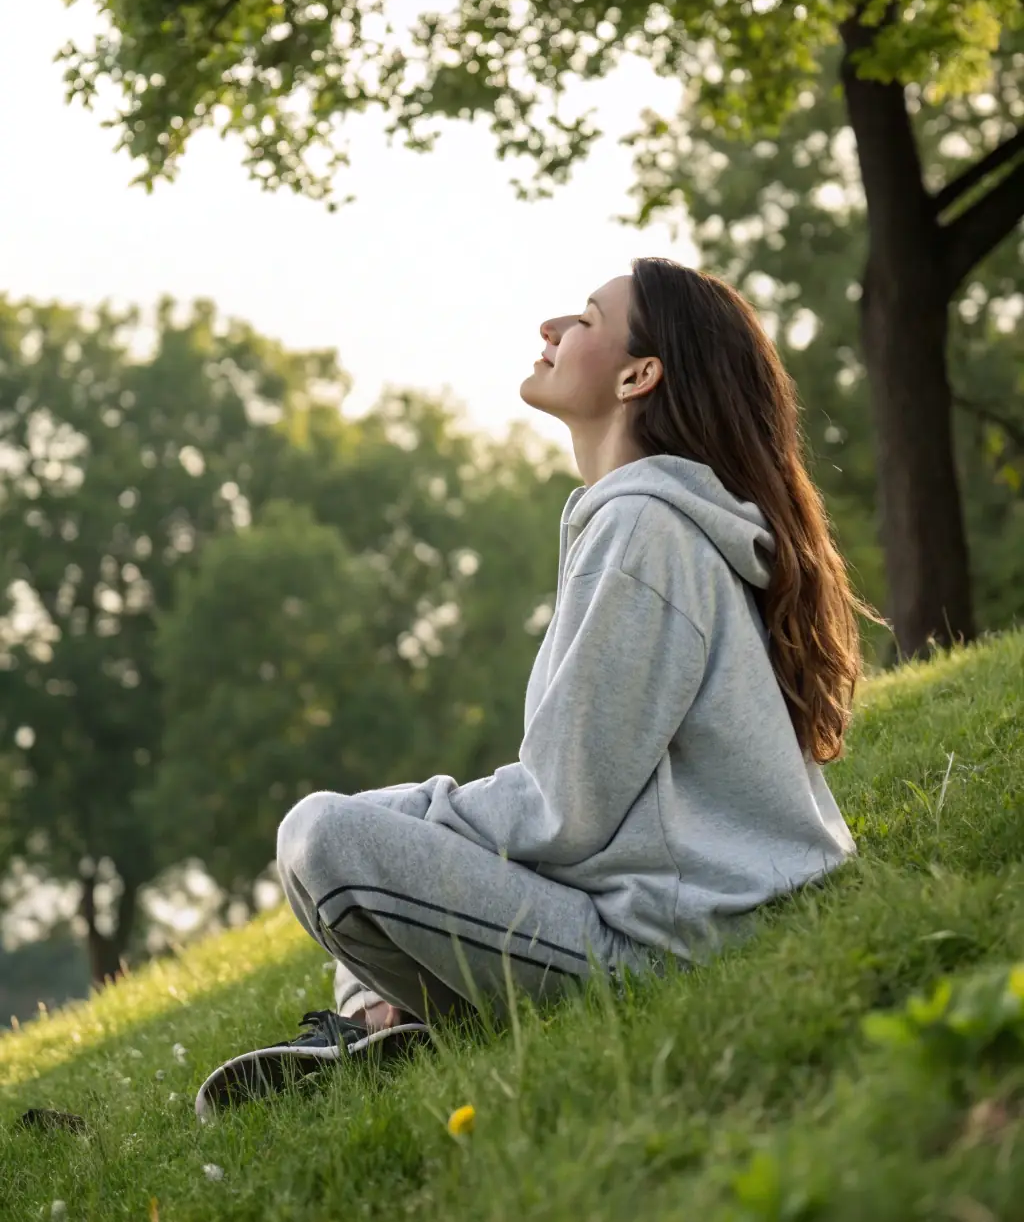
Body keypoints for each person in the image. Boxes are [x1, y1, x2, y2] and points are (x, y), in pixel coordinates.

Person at [195, 258, 878, 1119]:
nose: (552, 328)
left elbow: (563, 808)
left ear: (639, 375)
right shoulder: (644, 519)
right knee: (375, 821)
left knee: (321, 834)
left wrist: (418, 822)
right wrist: (421, 821)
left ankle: (388, 1017)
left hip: (680, 942)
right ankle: (384, 1020)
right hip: (670, 911)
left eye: (586, 319)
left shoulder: (645, 528)